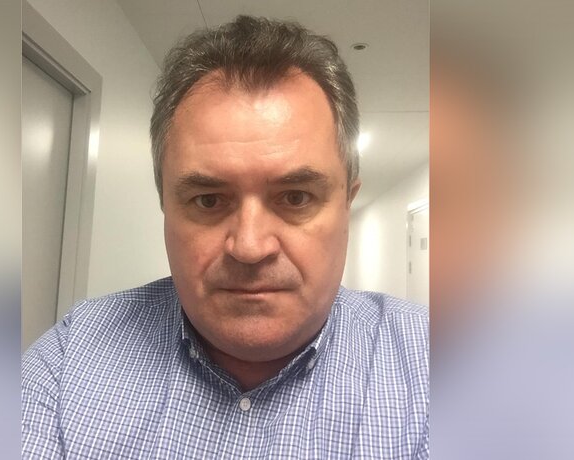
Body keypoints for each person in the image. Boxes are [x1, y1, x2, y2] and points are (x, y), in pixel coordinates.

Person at [22, 15, 429, 459]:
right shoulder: (71, 360)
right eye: (209, 200)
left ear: (346, 205)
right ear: (165, 206)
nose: (250, 247)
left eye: (295, 197)